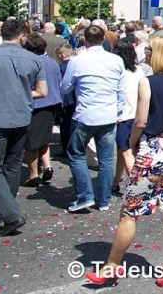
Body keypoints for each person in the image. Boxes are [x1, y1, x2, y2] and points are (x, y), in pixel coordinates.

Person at [85, 36, 163, 288]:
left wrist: (130, 143)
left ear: (157, 53)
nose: (146, 52)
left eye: (149, 49)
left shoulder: (147, 82)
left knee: (129, 211)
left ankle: (111, 266)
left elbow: (140, 121)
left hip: (152, 151)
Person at [60, 25, 125, 213]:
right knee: (106, 159)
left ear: (85, 40)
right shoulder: (116, 60)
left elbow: (66, 88)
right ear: (104, 38)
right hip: (108, 114)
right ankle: (103, 199)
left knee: (75, 154)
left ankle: (85, 196)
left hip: (85, 114)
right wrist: (118, 112)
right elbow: (121, 89)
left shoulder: (78, 61)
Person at [0, 20, 46, 236]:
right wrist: (21, 91)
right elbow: (42, 91)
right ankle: (2, 210)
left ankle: (10, 213)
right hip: (22, 116)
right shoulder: (34, 59)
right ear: (22, 36)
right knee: (12, 165)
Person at [21, 34, 62, 187]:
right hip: (53, 102)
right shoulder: (52, 61)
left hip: (37, 104)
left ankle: (33, 175)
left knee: (31, 142)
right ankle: (47, 166)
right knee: (44, 137)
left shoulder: (30, 62)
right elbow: (59, 82)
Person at [110, 39, 146, 197]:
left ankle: (138, 186)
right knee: (123, 152)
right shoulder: (138, 70)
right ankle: (115, 182)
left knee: (126, 152)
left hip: (123, 116)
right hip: (137, 114)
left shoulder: (116, 71)